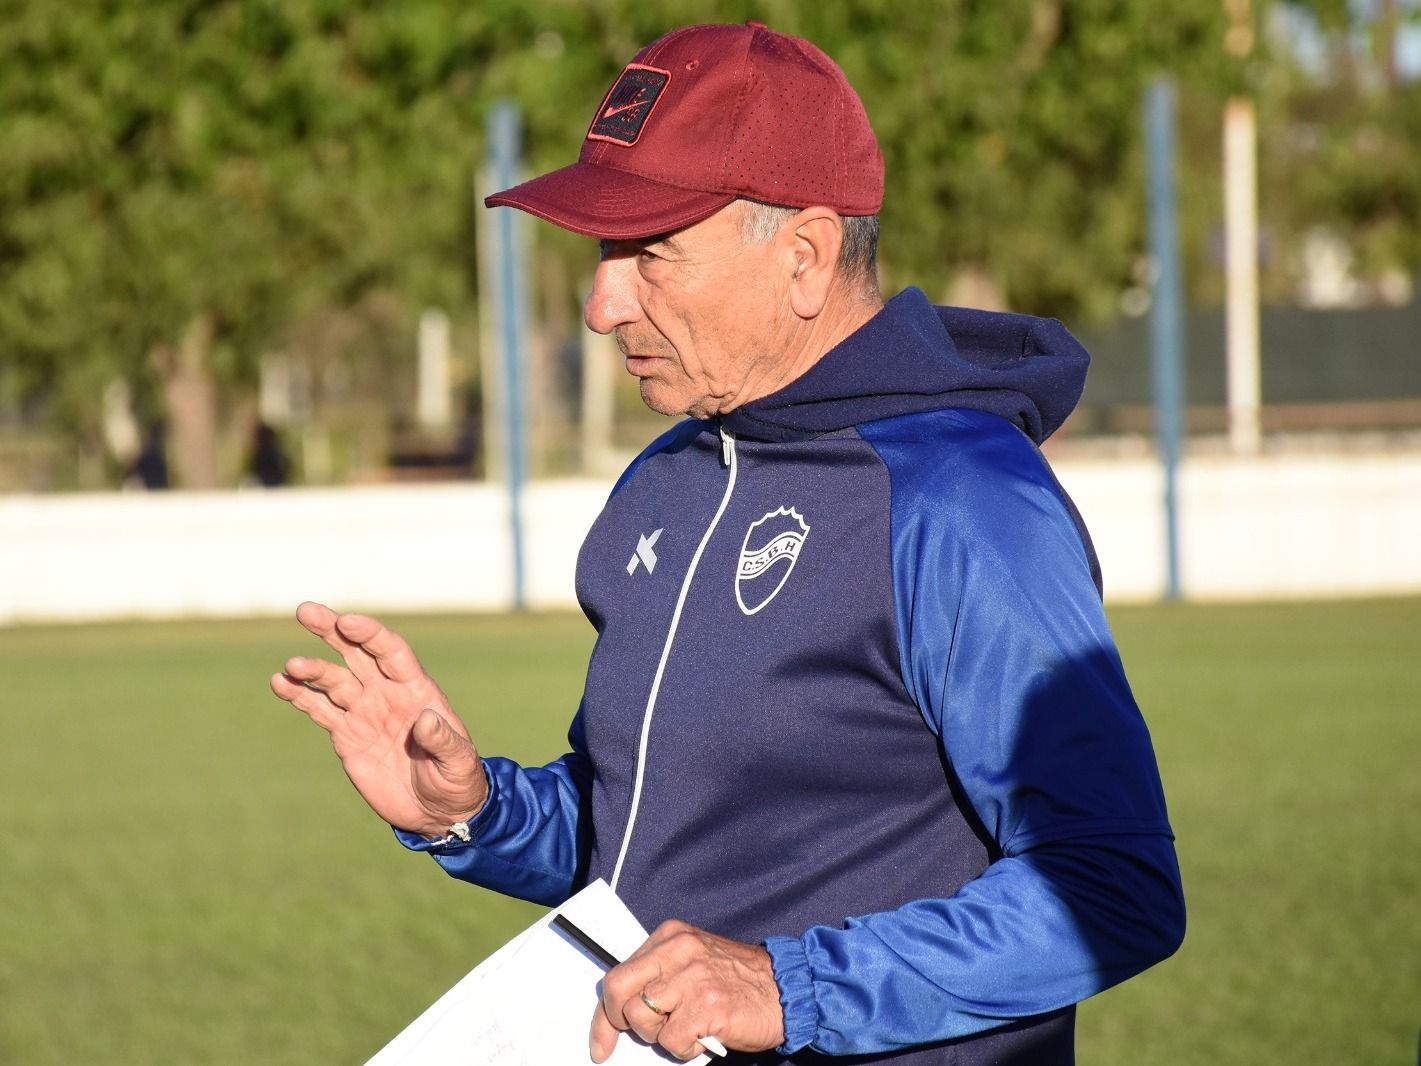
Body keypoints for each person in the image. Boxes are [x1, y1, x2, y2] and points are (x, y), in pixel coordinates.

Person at [272, 21, 1184, 1065]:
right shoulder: (665, 481)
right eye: (603, 254)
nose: (602, 302)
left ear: (802, 255)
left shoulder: (960, 500)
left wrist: (786, 984)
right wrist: (474, 811)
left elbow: (1110, 884)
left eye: (650, 254)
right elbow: (650, 831)